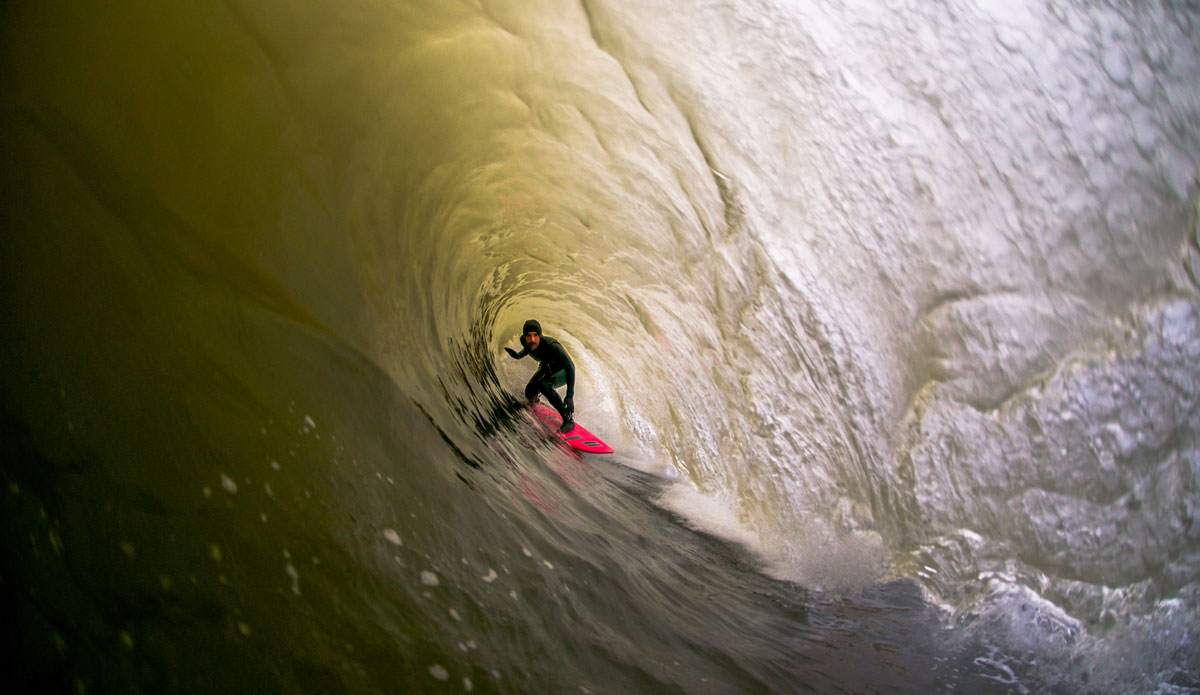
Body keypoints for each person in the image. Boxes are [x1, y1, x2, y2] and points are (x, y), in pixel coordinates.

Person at [505, 319, 575, 432]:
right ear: (525, 336)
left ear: (540, 335)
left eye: (535, 335)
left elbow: (571, 367)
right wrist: (518, 356)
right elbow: (527, 350)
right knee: (530, 391)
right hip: (547, 367)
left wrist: (570, 396)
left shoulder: (552, 345)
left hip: (563, 371)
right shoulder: (526, 341)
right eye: (529, 336)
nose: (532, 339)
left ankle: (568, 419)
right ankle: (537, 402)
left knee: (544, 385)